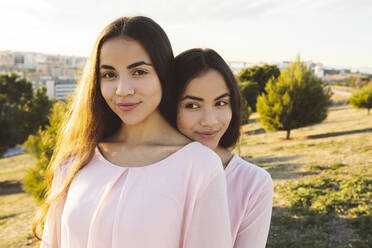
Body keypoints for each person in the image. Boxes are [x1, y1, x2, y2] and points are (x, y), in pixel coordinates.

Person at [35, 17, 232, 248]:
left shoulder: (199, 166)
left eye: (139, 72)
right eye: (109, 75)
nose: (123, 90)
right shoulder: (75, 161)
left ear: (163, 74)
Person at [171, 48, 274, 248]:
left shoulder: (253, 184)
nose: (210, 121)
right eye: (192, 105)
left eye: (220, 103)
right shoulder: (147, 168)